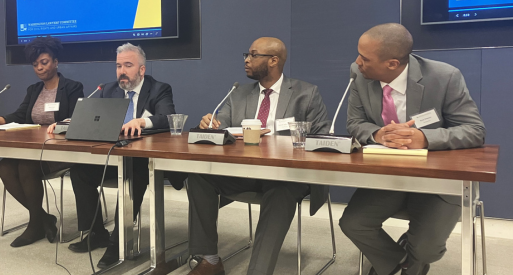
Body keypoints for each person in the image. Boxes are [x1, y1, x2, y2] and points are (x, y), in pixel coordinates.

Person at [339, 23, 485, 275]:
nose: (357, 62)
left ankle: (416, 253)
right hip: (390, 175)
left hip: (437, 178)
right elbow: (354, 122)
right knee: (353, 223)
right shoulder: (359, 75)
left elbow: (474, 130)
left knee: (427, 250)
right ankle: (402, 260)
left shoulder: (444, 76)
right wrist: (376, 133)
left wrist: (424, 138)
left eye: (365, 58)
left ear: (392, 64)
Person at [188, 37, 331, 275]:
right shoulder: (238, 94)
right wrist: (210, 124)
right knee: (198, 176)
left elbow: (322, 137)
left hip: (287, 175)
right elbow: (221, 125)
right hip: (244, 171)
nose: (246, 60)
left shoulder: (306, 93)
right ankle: (210, 260)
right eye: (247, 54)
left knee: (280, 191)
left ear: (273, 60)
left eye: (253, 55)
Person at [65, 43, 175, 269]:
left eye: (128, 65)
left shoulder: (159, 88)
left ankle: (118, 242)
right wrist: (72, 122)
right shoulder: (107, 89)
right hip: (111, 157)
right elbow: (94, 118)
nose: (121, 71)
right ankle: (96, 232)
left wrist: (142, 121)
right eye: (118, 66)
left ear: (142, 70)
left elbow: (168, 117)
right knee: (80, 171)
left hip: (142, 160)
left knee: (133, 173)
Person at [0, 36, 84, 247]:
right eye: (35, 64)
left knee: (26, 167)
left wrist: (63, 124)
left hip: (62, 150)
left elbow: (78, 117)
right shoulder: (34, 90)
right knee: (5, 166)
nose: (39, 68)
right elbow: (21, 114)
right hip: (33, 150)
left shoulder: (73, 87)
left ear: (56, 62)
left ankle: (35, 224)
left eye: (44, 62)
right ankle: (43, 218)